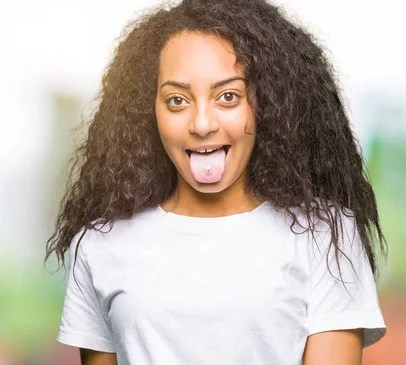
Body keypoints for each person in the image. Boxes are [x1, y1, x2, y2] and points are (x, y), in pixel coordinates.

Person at [45, 0, 388, 364]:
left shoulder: (324, 237)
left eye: (228, 96)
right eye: (177, 100)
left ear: (266, 103)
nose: (202, 123)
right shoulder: (101, 246)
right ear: (149, 111)